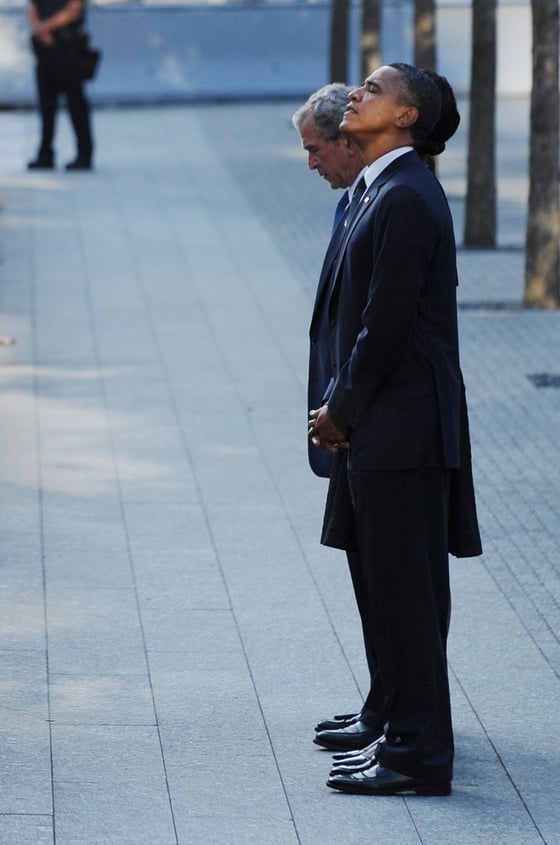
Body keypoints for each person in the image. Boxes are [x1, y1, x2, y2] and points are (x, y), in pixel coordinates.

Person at [308, 64, 481, 796]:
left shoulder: (407, 196)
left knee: (405, 594)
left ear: (406, 117)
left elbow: (385, 328)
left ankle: (415, 752)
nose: (357, 94)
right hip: (385, 425)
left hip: (401, 428)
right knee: (390, 585)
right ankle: (398, 729)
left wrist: (339, 409)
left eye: (374, 90)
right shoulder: (385, 188)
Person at [291, 85, 387, 755]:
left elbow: (378, 331)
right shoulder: (355, 201)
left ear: (347, 144)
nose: (309, 163)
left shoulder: (394, 201)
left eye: (314, 149)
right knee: (368, 575)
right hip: (348, 422)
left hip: (373, 427)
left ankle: (398, 719)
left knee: (392, 581)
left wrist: (342, 408)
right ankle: (383, 704)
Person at [26, 0, 94, 171]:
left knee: (76, 104)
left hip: (68, 48)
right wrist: (39, 28)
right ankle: (45, 154)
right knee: (46, 105)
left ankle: (84, 154)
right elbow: (32, 8)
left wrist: (44, 27)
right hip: (45, 51)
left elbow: (74, 10)